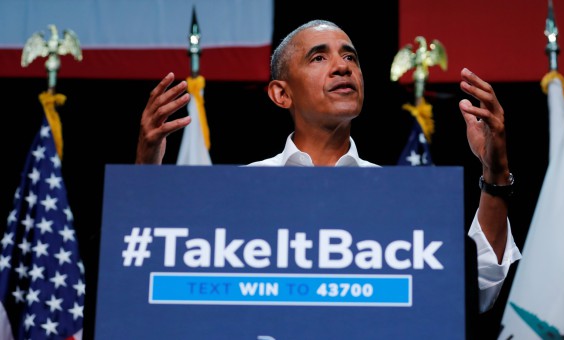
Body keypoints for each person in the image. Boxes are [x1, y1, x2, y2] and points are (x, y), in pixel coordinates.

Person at [135, 19, 521, 314]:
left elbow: (476, 288)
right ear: (280, 93)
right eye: (319, 57)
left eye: (350, 57)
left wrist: (495, 169)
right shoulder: (241, 187)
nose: (342, 67)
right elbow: (159, 280)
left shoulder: (399, 195)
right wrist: (144, 174)